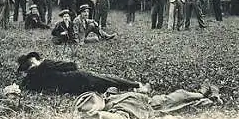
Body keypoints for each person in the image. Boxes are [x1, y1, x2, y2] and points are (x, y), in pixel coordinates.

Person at [16, 51, 151, 95]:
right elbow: (72, 65)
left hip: (73, 90)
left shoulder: (29, 81)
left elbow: (24, 87)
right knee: (109, 79)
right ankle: (138, 86)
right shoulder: (46, 64)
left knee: (107, 87)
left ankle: (133, 89)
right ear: (33, 61)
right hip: (80, 78)